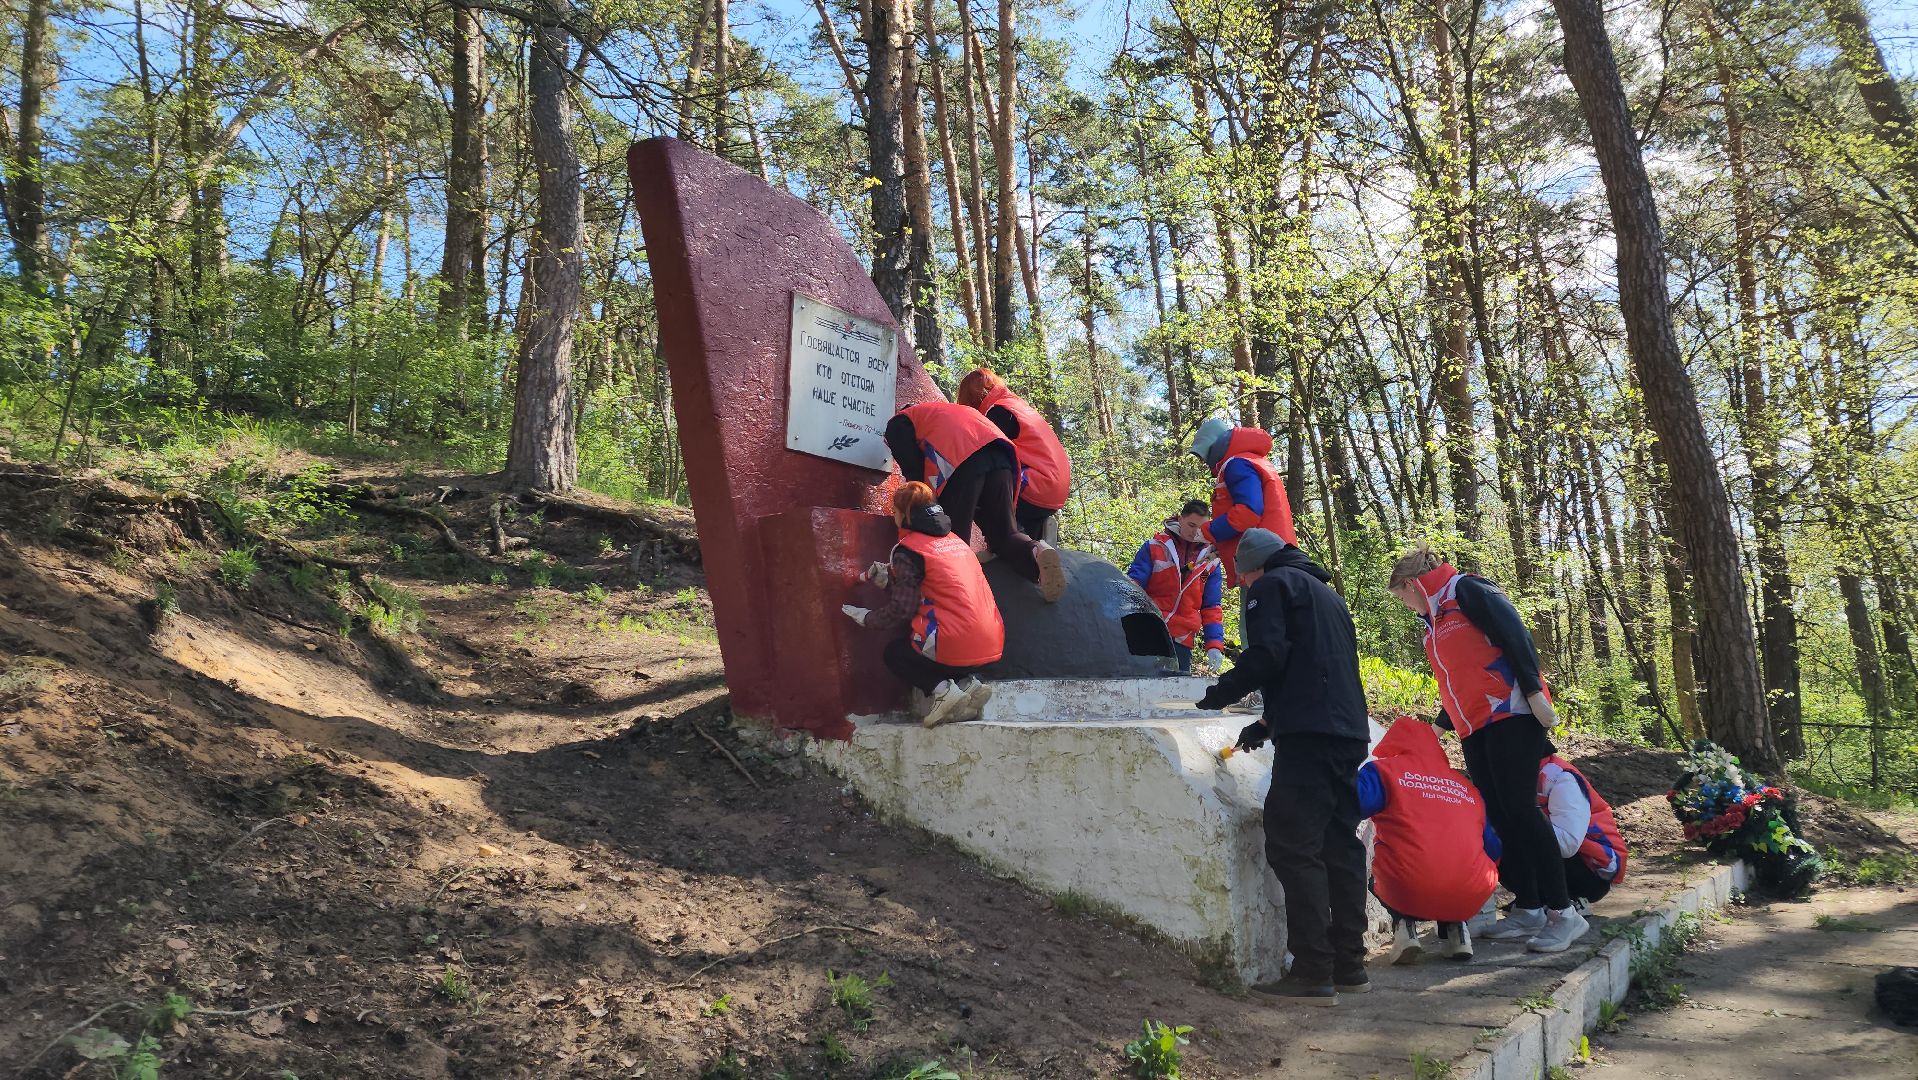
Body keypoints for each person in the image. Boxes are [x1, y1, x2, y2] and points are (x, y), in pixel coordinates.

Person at [1387, 545, 1589, 954]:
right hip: (1475, 727)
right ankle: (1529, 906)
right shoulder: (1435, 620)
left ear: (1411, 585)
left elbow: (1514, 635)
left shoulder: (1467, 591)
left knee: (1521, 812)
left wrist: (1534, 691)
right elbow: (1461, 677)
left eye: (1402, 597)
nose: (1406, 606)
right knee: (1497, 814)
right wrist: (1440, 728)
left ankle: (1564, 913)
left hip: (1511, 716)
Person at [1197, 528, 1370, 1004]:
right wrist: (1268, 723)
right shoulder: (1329, 597)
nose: (1242, 587)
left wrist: (1219, 694)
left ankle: (1313, 969)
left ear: (1254, 566)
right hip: (1348, 733)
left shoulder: (1272, 586)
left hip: (1310, 739)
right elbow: (1319, 670)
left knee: (1294, 843)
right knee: (1340, 844)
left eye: (1242, 578)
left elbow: (1269, 656)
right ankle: (1349, 963)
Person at [842, 481, 1002, 727]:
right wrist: (889, 582)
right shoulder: (956, 541)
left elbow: (904, 608)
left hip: (953, 641)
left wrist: (867, 618)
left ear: (904, 515)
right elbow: (937, 588)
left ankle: (943, 692)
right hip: (990, 641)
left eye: (894, 511)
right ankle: (966, 684)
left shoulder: (909, 550)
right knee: (944, 645)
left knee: (896, 653)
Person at [885, 401, 1065, 602]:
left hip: (963, 457)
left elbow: (917, 482)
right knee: (1004, 535)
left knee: (953, 540)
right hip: (1001, 455)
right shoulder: (949, 411)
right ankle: (1037, 552)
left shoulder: (898, 423)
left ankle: (958, 599)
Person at [1359, 716, 1502, 964]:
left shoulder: (1385, 771)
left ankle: (1405, 932)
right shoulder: (1464, 785)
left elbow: (1354, 802)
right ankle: (1458, 934)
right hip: (1473, 890)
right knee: (1451, 867)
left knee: (1384, 871)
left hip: (1408, 885)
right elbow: (1493, 846)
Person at [956, 368, 1071, 541]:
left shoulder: (998, 413)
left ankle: (1001, 543)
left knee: (975, 479)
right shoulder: (1015, 405)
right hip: (1053, 489)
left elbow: (981, 457)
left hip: (1037, 487)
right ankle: (1037, 550)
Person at [1187, 416, 1299, 588]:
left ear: (1213, 445)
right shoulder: (1253, 460)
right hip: (1275, 558)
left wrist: (1208, 532)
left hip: (1261, 565)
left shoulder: (1236, 464)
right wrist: (1220, 546)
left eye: (1204, 456)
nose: (1205, 462)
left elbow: (1248, 513)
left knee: (1261, 614)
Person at [1126, 500, 1227, 674]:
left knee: (1175, 697)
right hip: (1150, 631)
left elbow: (1211, 606)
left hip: (1182, 639)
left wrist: (1214, 644)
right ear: (1180, 519)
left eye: (1201, 528)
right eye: (1191, 525)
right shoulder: (1154, 547)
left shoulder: (1210, 562)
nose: (1195, 532)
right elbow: (1133, 587)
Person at [1538, 753, 1628, 911]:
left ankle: (1564, 902)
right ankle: (1532, 901)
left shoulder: (1559, 775)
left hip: (1591, 870)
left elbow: (1567, 844)